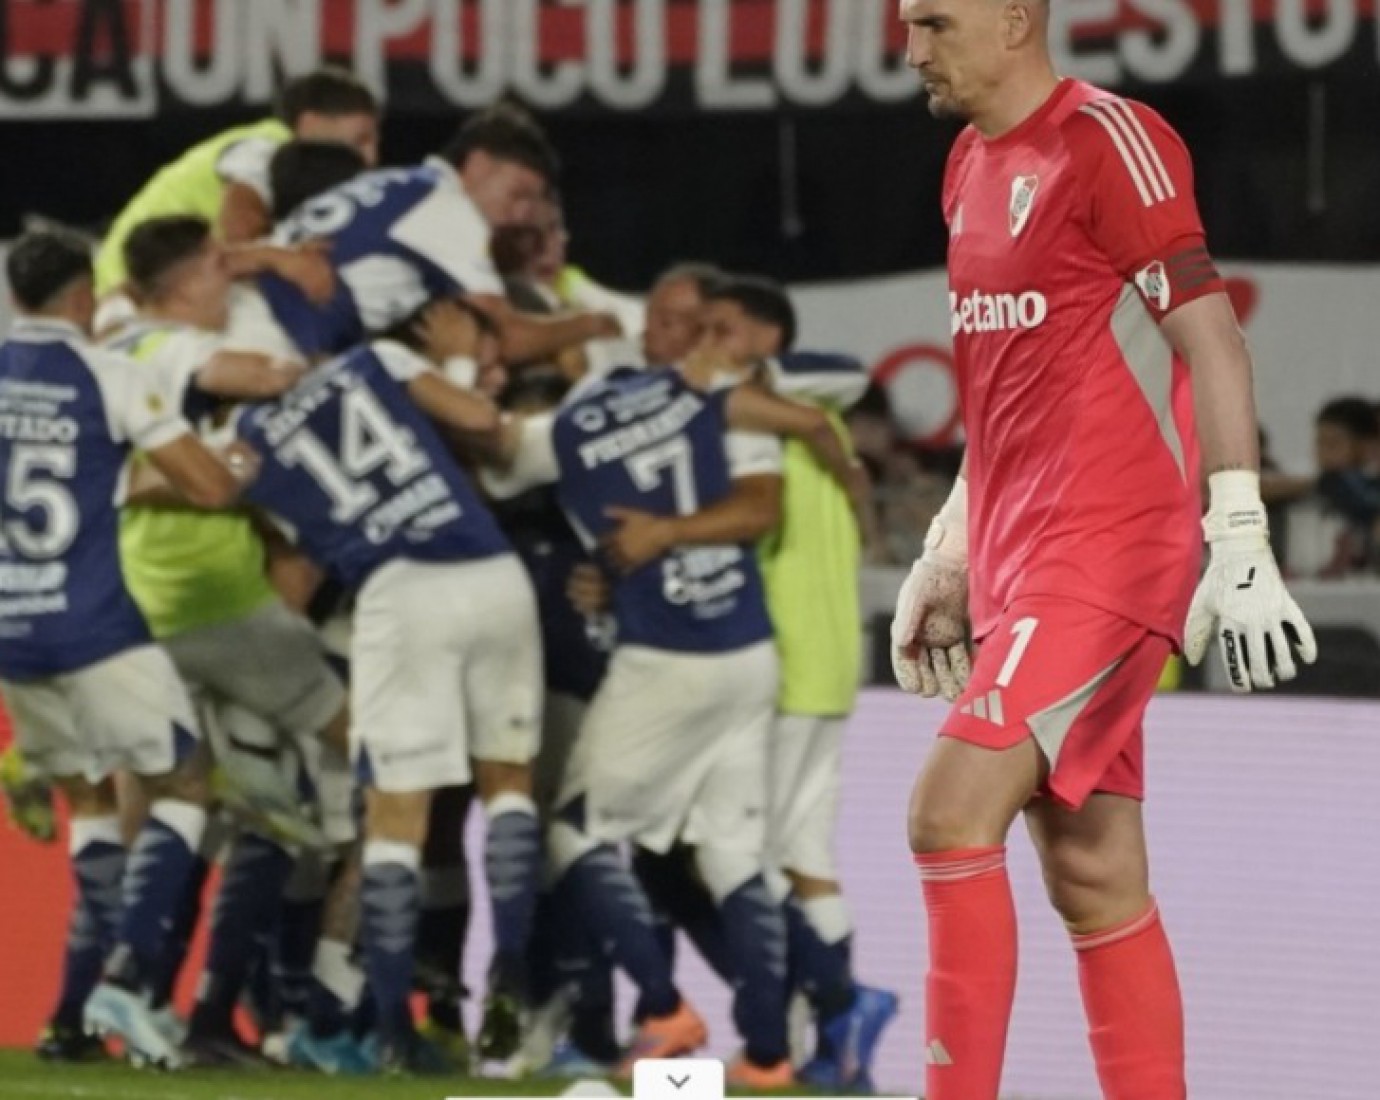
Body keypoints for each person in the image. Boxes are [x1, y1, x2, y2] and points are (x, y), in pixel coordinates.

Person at [891, 2, 1318, 1097]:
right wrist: (950, 549)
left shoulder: (1109, 140)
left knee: (948, 811)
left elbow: (1211, 334)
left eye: (935, 23)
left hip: (1114, 547)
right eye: (906, 24)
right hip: (1020, 556)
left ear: (1016, 21)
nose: (912, 50)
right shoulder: (965, 167)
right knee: (1092, 871)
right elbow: (1005, 389)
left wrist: (1240, 534)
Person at [220, 300, 545, 1074]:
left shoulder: (245, 448)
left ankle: (393, 1026)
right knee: (508, 787)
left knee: (396, 816)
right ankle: (511, 965)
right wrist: (463, 360)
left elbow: (287, 575)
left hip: (399, 595)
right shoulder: (381, 363)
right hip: (493, 570)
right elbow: (487, 424)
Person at [0, 227, 254, 1068]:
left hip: (12, 636)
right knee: (186, 778)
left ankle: (70, 1018)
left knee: (95, 807)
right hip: (93, 628)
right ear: (82, 300)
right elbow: (210, 487)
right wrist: (235, 460)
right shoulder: (110, 372)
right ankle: (126, 970)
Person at [110, 215, 356, 1066]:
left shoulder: (112, 348)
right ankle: (308, 1009)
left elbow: (133, 480)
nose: (233, 293)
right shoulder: (173, 347)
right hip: (223, 611)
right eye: (223, 275)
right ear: (192, 282)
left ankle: (133, 1001)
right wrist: (343, 370)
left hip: (144, 609)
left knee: (171, 810)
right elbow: (263, 374)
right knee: (382, 762)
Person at [260, 103, 620, 367]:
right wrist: (591, 322)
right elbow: (506, 339)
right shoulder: (450, 209)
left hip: (253, 317)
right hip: (277, 349)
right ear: (478, 164)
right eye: (518, 194)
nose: (523, 214)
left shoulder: (397, 182)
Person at [94, 68, 380, 330]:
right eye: (360, 139)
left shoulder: (287, 160)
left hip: (162, 293)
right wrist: (287, 260)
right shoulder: (263, 149)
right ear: (309, 123)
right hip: (134, 298)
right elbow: (240, 237)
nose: (371, 157)